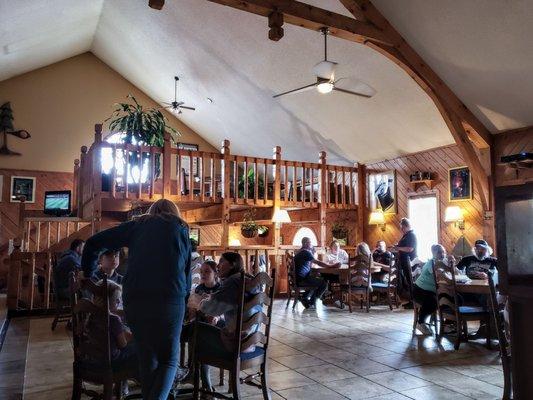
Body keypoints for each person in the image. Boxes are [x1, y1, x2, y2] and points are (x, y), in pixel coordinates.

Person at [82, 199, 191, 400]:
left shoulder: (137, 225)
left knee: (147, 358)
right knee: (169, 360)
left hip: (136, 298)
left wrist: (88, 273)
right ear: (175, 213)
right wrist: (183, 304)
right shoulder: (181, 228)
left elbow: (92, 243)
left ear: (151, 212)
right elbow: (186, 273)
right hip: (170, 297)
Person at [189, 252, 255, 391]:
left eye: (221, 262)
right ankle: (197, 377)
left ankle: (200, 382)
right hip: (251, 340)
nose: (218, 266)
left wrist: (198, 301)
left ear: (233, 264)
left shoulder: (233, 281)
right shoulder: (248, 279)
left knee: (195, 330)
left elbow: (211, 309)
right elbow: (226, 301)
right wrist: (212, 298)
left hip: (236, 342)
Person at [87, 280, 138, 372]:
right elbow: (123, 345)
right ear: (106, 301)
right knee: (139, 348)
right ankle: (137, 378)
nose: (119, 302)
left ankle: (123, 383)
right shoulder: (113, 320)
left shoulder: (91, 316)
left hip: (95, 359)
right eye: (117, 299)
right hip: (112, 361)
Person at [294, 237, 339, 308]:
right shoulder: (306, 252)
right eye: (310, 243)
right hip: (303, 279)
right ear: (305, 243)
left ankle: (305, 297)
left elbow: (310, 263)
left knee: (317, 279)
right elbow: (318, 262)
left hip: (298, 277)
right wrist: (331, 266)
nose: (311, 245)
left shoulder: (299, 251)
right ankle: (311, 302)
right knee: (324, 283)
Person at [412, 244, 446, 335]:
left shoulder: (442, 263)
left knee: (455, 298)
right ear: (434, 253)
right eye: (439, 252)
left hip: (433, 291)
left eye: (443, 252)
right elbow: (439, 274)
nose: (442, 254)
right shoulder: (432, 263)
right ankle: (421, 323)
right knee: (433, 301)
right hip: (420, 290)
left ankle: (449, 324)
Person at [391, 218, 417, 308]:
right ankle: (410, 300)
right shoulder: (406, 235)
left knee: (410, 282)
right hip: (404, 261)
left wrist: (398, 248)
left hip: (409, 261)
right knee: (406, 282)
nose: (401, 229)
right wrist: (397, 247)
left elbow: (410, 248)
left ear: (407, 226)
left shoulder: (411, 235)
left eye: (402, 228)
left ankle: (413, 302)